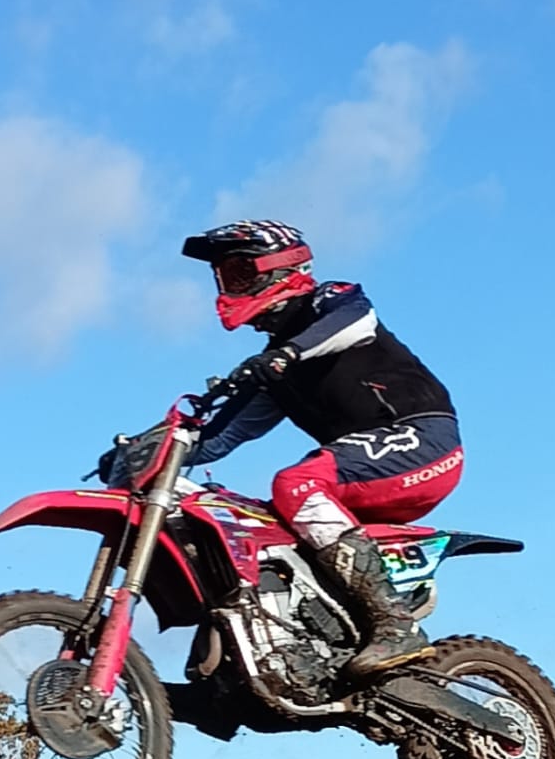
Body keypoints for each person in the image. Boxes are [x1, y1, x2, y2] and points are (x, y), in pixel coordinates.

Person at [176, 219, 463, 678]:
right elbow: (219, 437)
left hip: (424, 440)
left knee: (295, 483)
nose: (229, 287)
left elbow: (355, 321)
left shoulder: (330, 301)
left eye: (240, 273)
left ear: (279, 267)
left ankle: (395, 624)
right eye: (224, 277)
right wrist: (153, 450)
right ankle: (311, 641)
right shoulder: (274, 368)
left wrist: (287, 354)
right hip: (361, 470)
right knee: (255, 526)